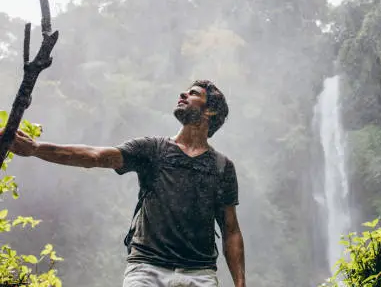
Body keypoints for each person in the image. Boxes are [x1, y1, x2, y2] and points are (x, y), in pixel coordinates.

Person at [2, 80, 246, 287]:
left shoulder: (221, 167)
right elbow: (95, 156)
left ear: (210, 111)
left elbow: (231, 230)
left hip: (199, 274)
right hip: (146, 270)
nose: (183, 94)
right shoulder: (153, 150)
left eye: (193, 93)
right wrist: (36, 148)